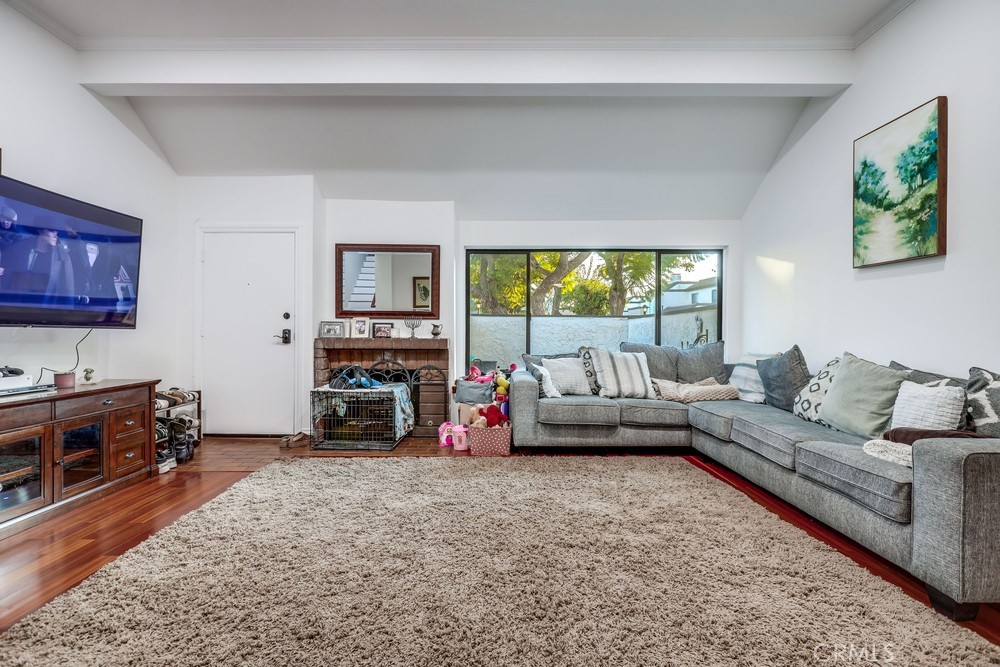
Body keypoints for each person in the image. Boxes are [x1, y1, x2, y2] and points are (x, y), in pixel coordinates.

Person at [4, 216, 77, 305]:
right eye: (51, 231)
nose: (55, 235)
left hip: (43, 311)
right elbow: (7, 277)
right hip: (16, 306)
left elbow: (67, 292)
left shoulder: (62, 257)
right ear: (40, 231)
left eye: (57, 231)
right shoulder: (21, 247)